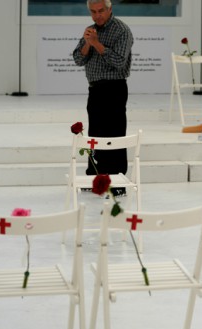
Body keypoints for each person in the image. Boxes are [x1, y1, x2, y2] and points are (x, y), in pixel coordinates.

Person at [72, 0, 133, 196]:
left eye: (101, 11)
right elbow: (78, 59)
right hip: (95, 89)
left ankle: (117, 181)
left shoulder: (122, 30)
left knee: (114, 134)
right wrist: (87, 45)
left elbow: (118, 61)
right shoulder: (90, 30)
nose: (97, 15)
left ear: (110, 9)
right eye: (93, 12)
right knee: (95, 136)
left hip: (114, 88)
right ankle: (95, 177)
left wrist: (97, 43)